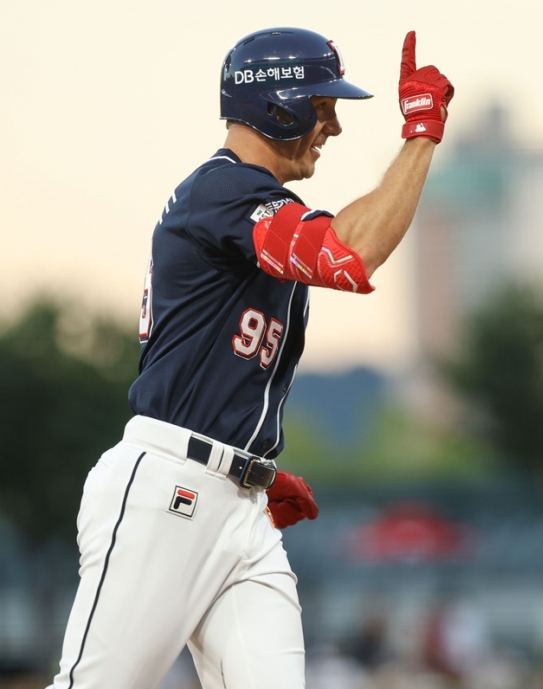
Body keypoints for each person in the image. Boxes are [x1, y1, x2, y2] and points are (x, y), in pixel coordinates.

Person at [47, 26, 453, 689]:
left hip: (234, 502)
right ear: (280, 103)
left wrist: (248, 460)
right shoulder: (221, 191)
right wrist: (421, 133)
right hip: (170, 487)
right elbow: (351, 254)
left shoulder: (239, 202)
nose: (333, 127)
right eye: (323, 106)